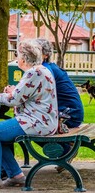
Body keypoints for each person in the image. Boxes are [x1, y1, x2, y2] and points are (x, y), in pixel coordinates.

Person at [0, 39, 58, 189]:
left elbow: (13, 100)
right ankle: (15, 175)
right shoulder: (41, 70)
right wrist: (14, 92)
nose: (16, 59)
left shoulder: (33, 72)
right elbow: (23, 94)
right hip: (42, 120)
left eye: (17, 55)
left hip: (37, 122)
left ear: (23, 59)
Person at [36, 38, 84, 172]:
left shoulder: (45, 70)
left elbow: (36, 94)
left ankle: (66, 152)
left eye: (35, 50)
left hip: (69, 114)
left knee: (31, 127)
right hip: (70, 112)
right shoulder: (48, 68)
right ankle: (65, 150)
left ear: (45, 55)